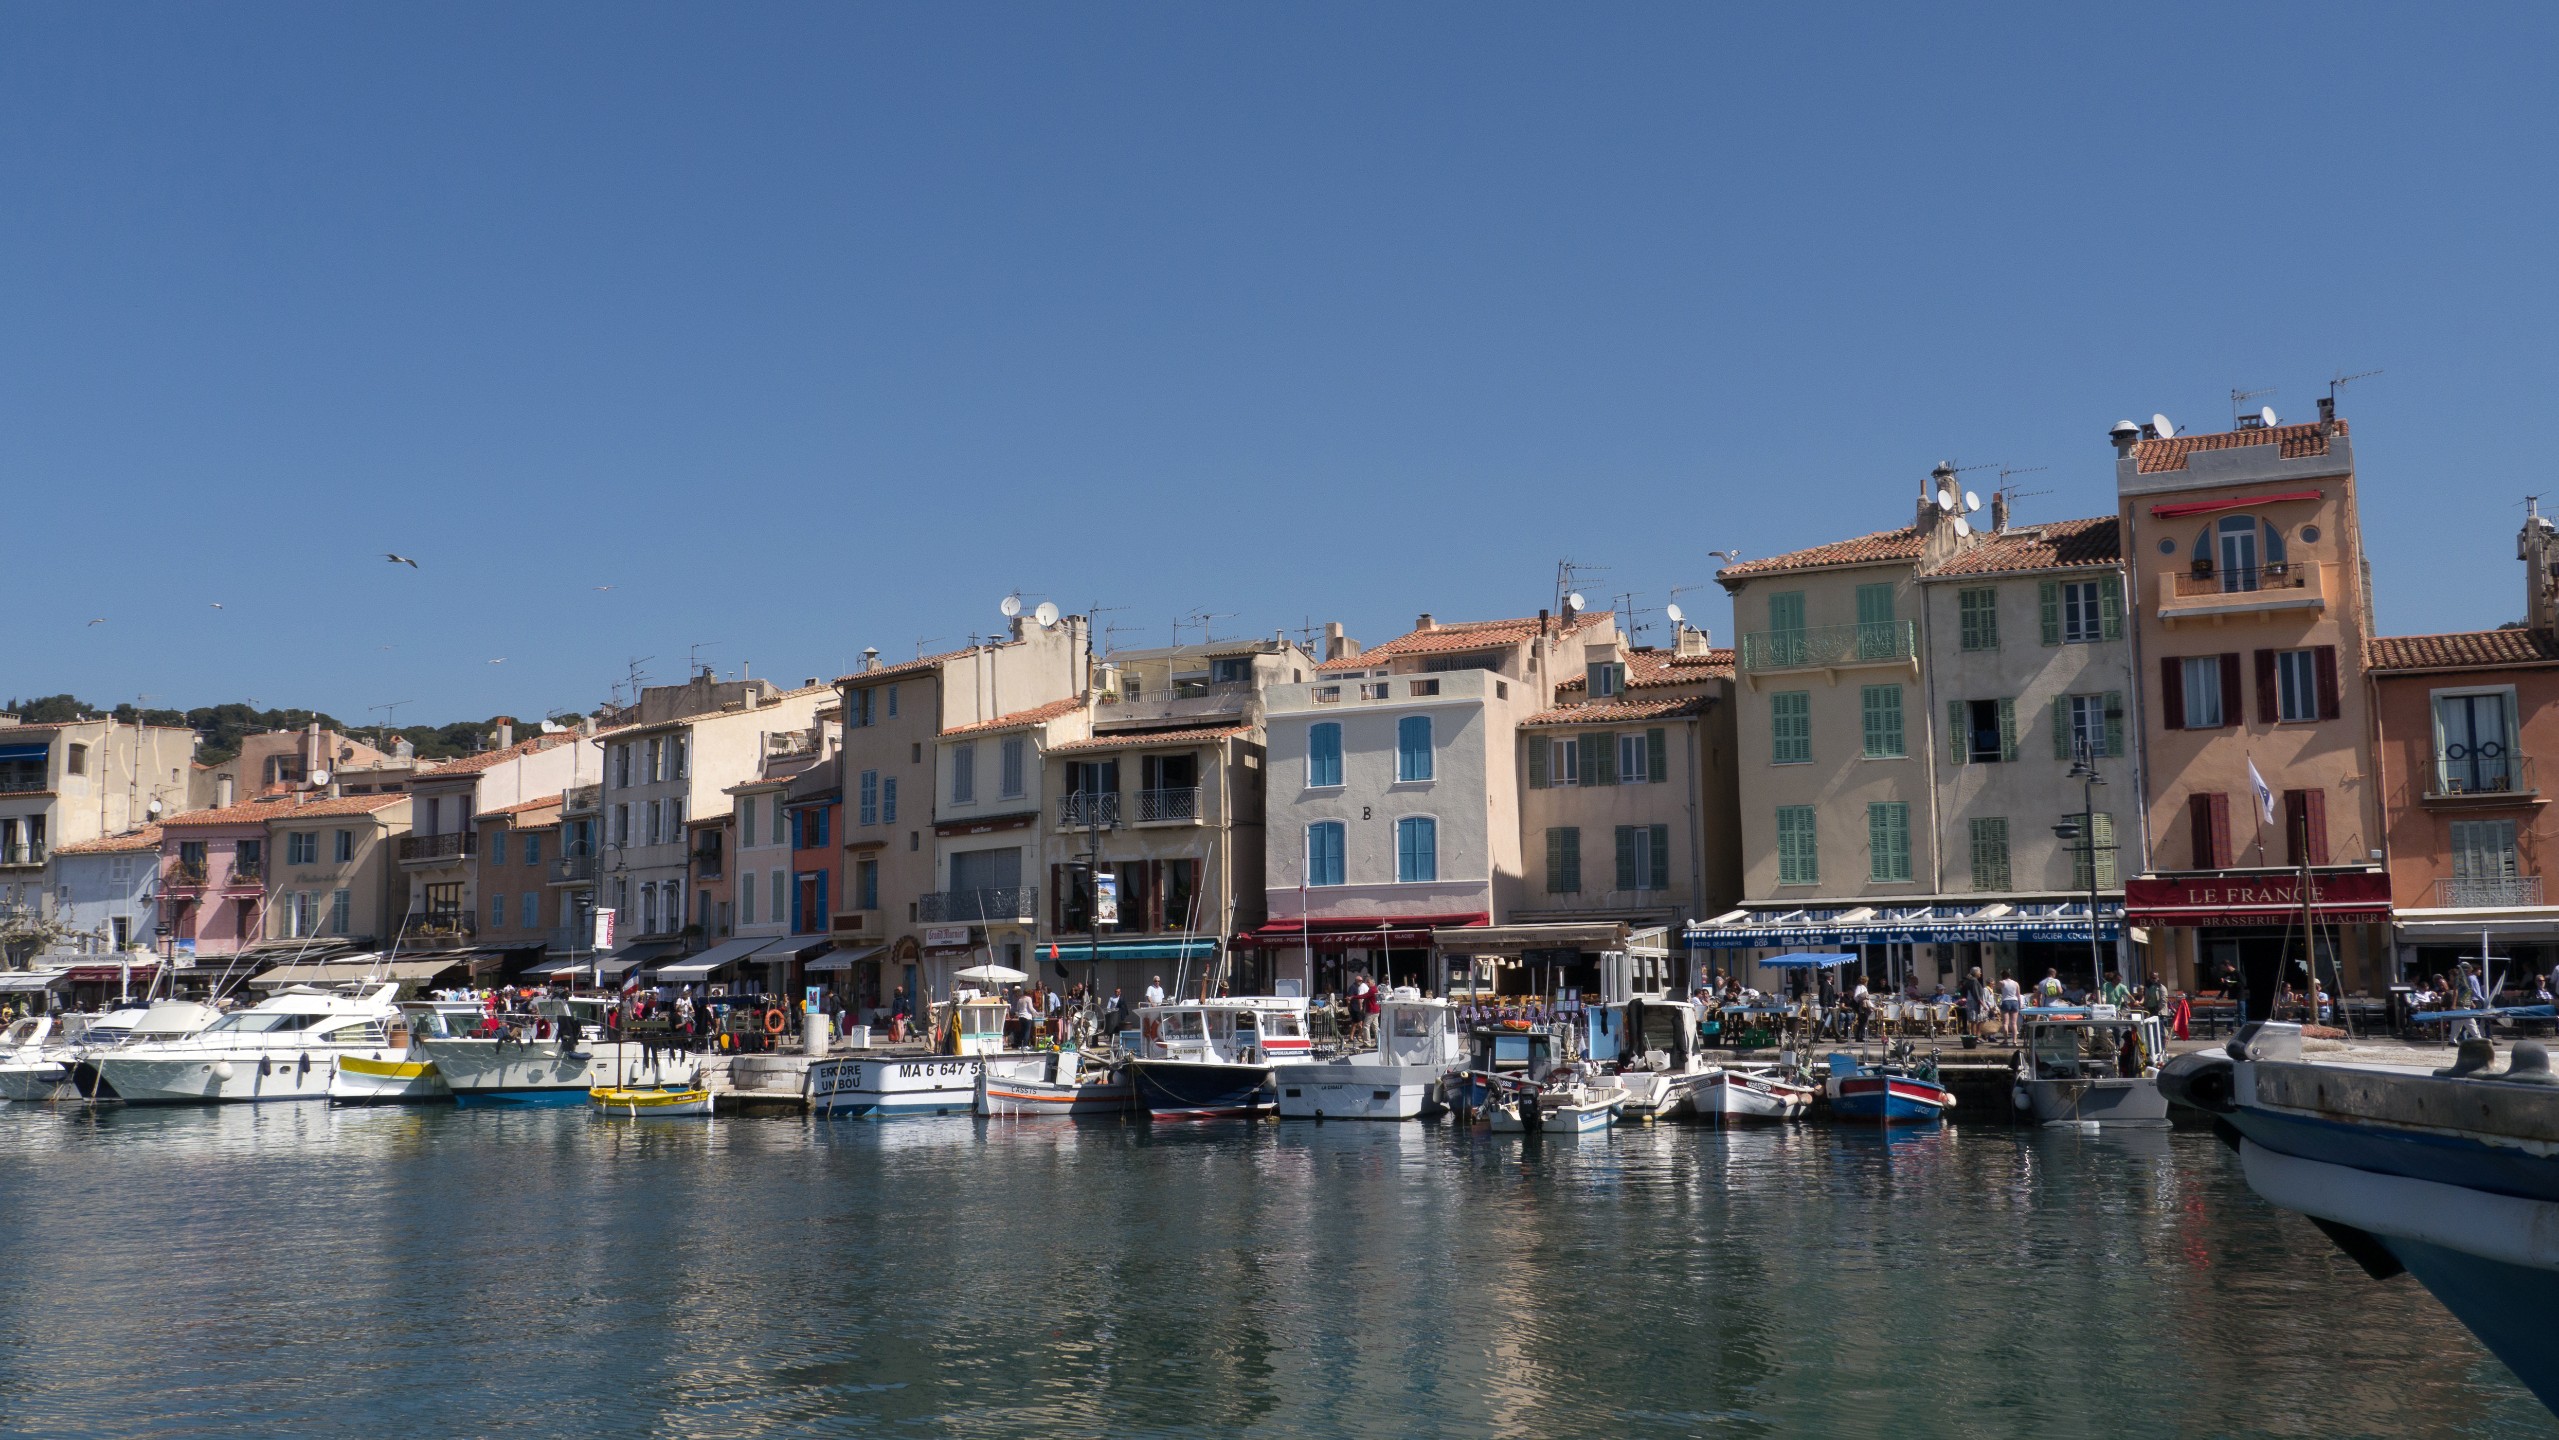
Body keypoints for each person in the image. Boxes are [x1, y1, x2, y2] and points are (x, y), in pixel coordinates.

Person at [1997, 970, 2023, 1043]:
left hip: (2006, 1001)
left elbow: (1998, 988)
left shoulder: (2001, 982)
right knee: (2014, 1023)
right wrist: (2020, 1004)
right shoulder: (2016, 983)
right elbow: (2018, 995)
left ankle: (2005, 1039)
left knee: (2005, 1022)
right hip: (2014, 1001)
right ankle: (2015, 1040)